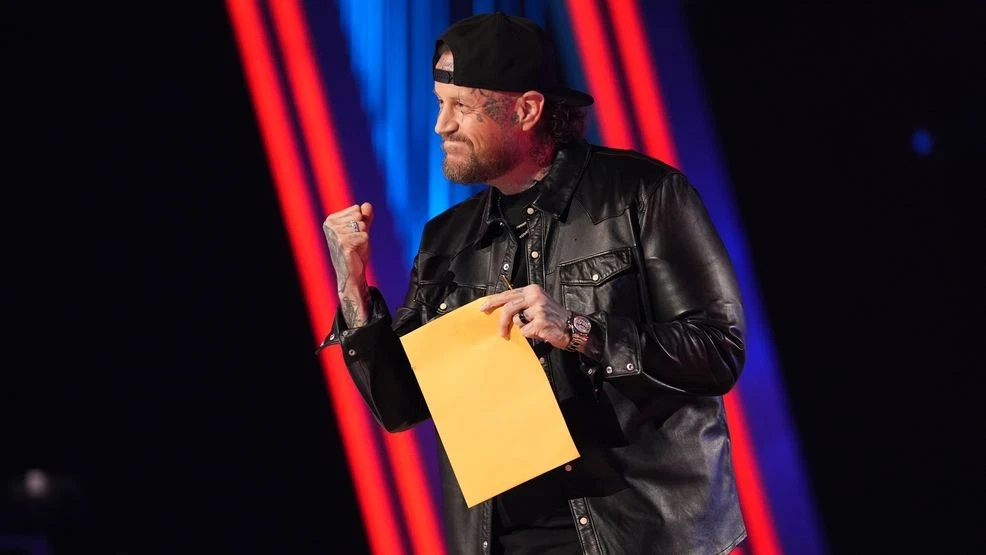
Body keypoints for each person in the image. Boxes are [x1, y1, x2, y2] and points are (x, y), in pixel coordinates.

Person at [317, 11, 747, 555]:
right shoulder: (447, 240)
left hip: (641, 534)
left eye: (462, 107)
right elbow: (400, 404)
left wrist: (582, 331)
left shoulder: (644, 194)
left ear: (526, 109)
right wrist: (352, 289)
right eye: (439, 104)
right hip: (507, 540)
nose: (441, 125)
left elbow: (718, 350)